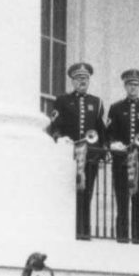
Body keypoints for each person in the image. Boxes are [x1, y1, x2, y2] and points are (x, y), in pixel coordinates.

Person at [47, 61, 106, 237]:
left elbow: (101, 130)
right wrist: (59, 137)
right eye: (79, 78)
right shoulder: (62, 101)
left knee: (86, 194)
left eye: (85, 79)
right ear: (72, 81)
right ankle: (69, 231)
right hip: (70, 156)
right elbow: (55, 125)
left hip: (90, 156)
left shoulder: (96, 102)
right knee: (69, 194)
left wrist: (102, 153)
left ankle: (84, 232)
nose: (82, 82)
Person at [103, 69, 139, 242]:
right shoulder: (116, 108)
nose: (133, 88)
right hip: (122, 163)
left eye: (136, 85)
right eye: (130, 84)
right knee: (122, 201)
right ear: (125, 86)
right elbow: (109, 133)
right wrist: (113, 144)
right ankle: (123, 237)